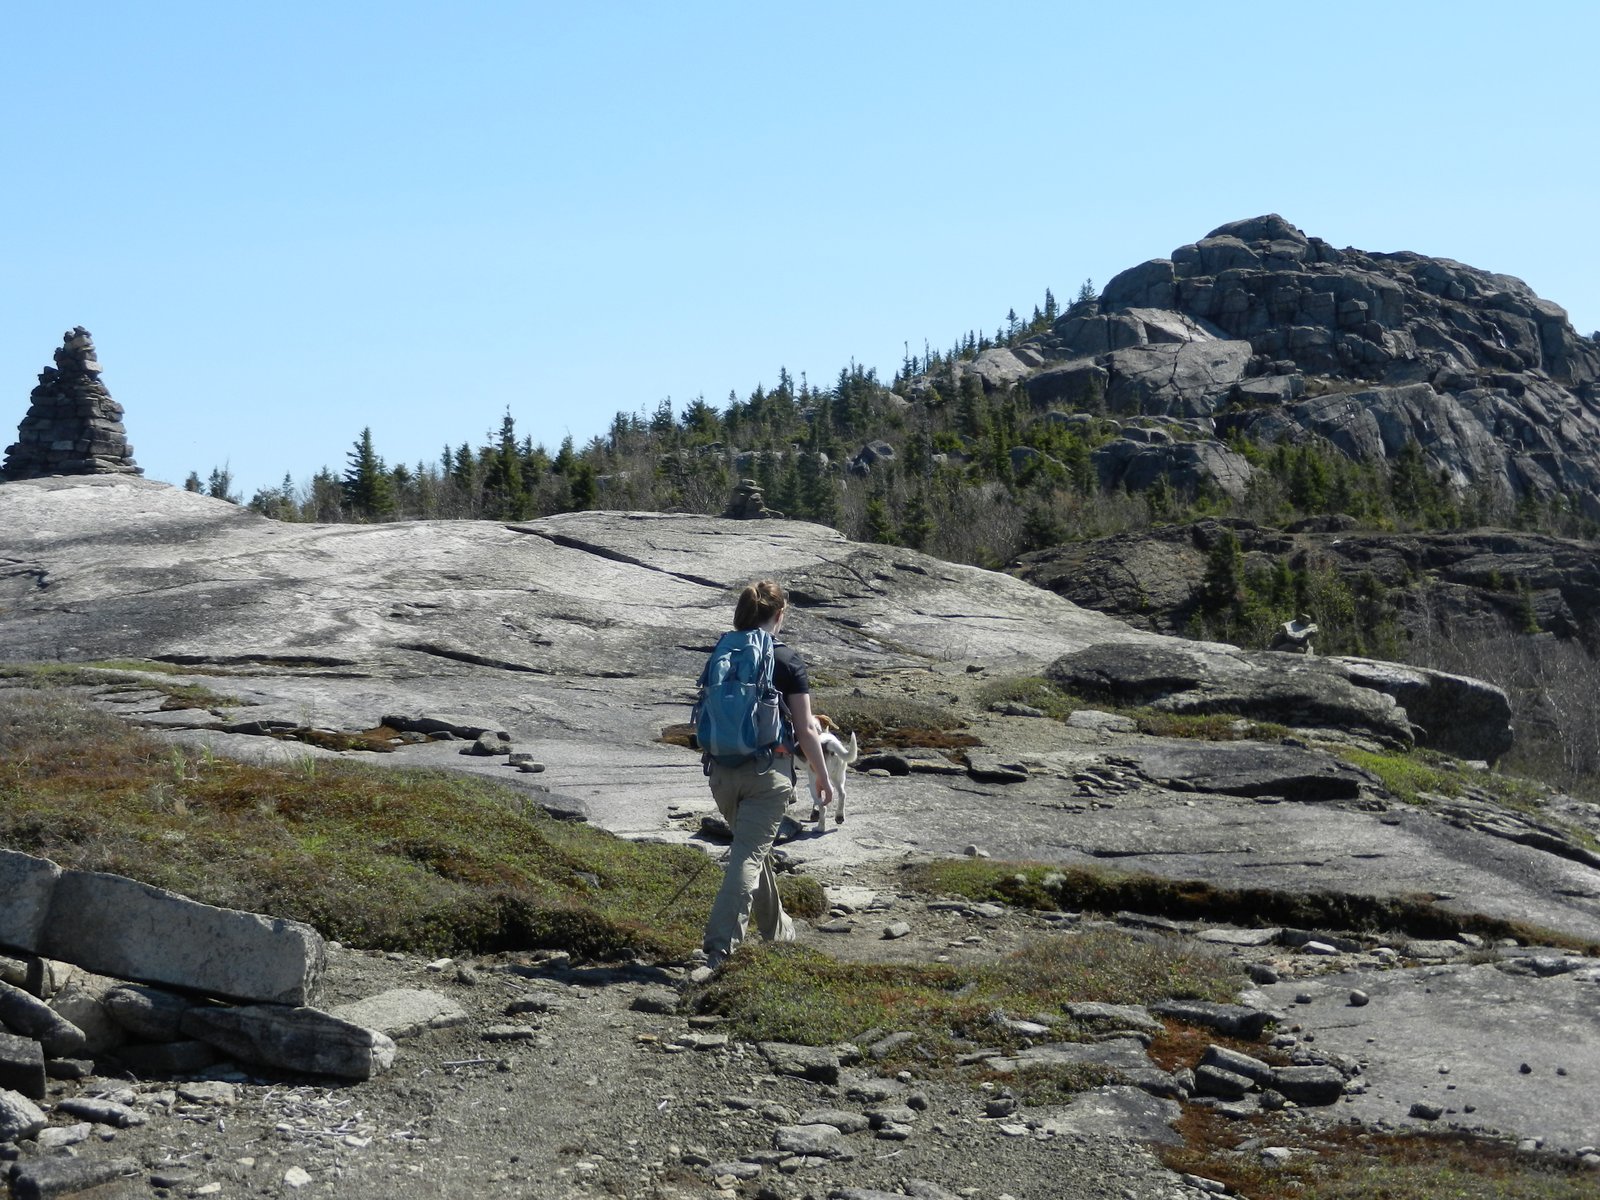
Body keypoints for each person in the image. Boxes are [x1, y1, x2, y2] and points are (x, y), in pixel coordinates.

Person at [701, 579, 832, 970]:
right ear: (780, 614)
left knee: (752, 851)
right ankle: (720, 949)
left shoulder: (723, 651)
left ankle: (778, 932)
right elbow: (806, 729)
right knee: (747, 856)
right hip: (767, 775)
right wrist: (822, 775)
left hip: (721, 772)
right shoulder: (786, 658)